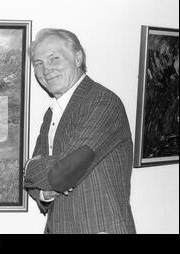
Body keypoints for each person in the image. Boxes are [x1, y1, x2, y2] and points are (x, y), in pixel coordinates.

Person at [24, 28, 136, 234]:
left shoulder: (103, 103)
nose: (46, 69)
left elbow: (63, 174)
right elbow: (34, 184)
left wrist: (29, 166)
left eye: (54, 58)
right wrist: (45, 193)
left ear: (77, 58)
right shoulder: (52, 113)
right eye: (38, 63)